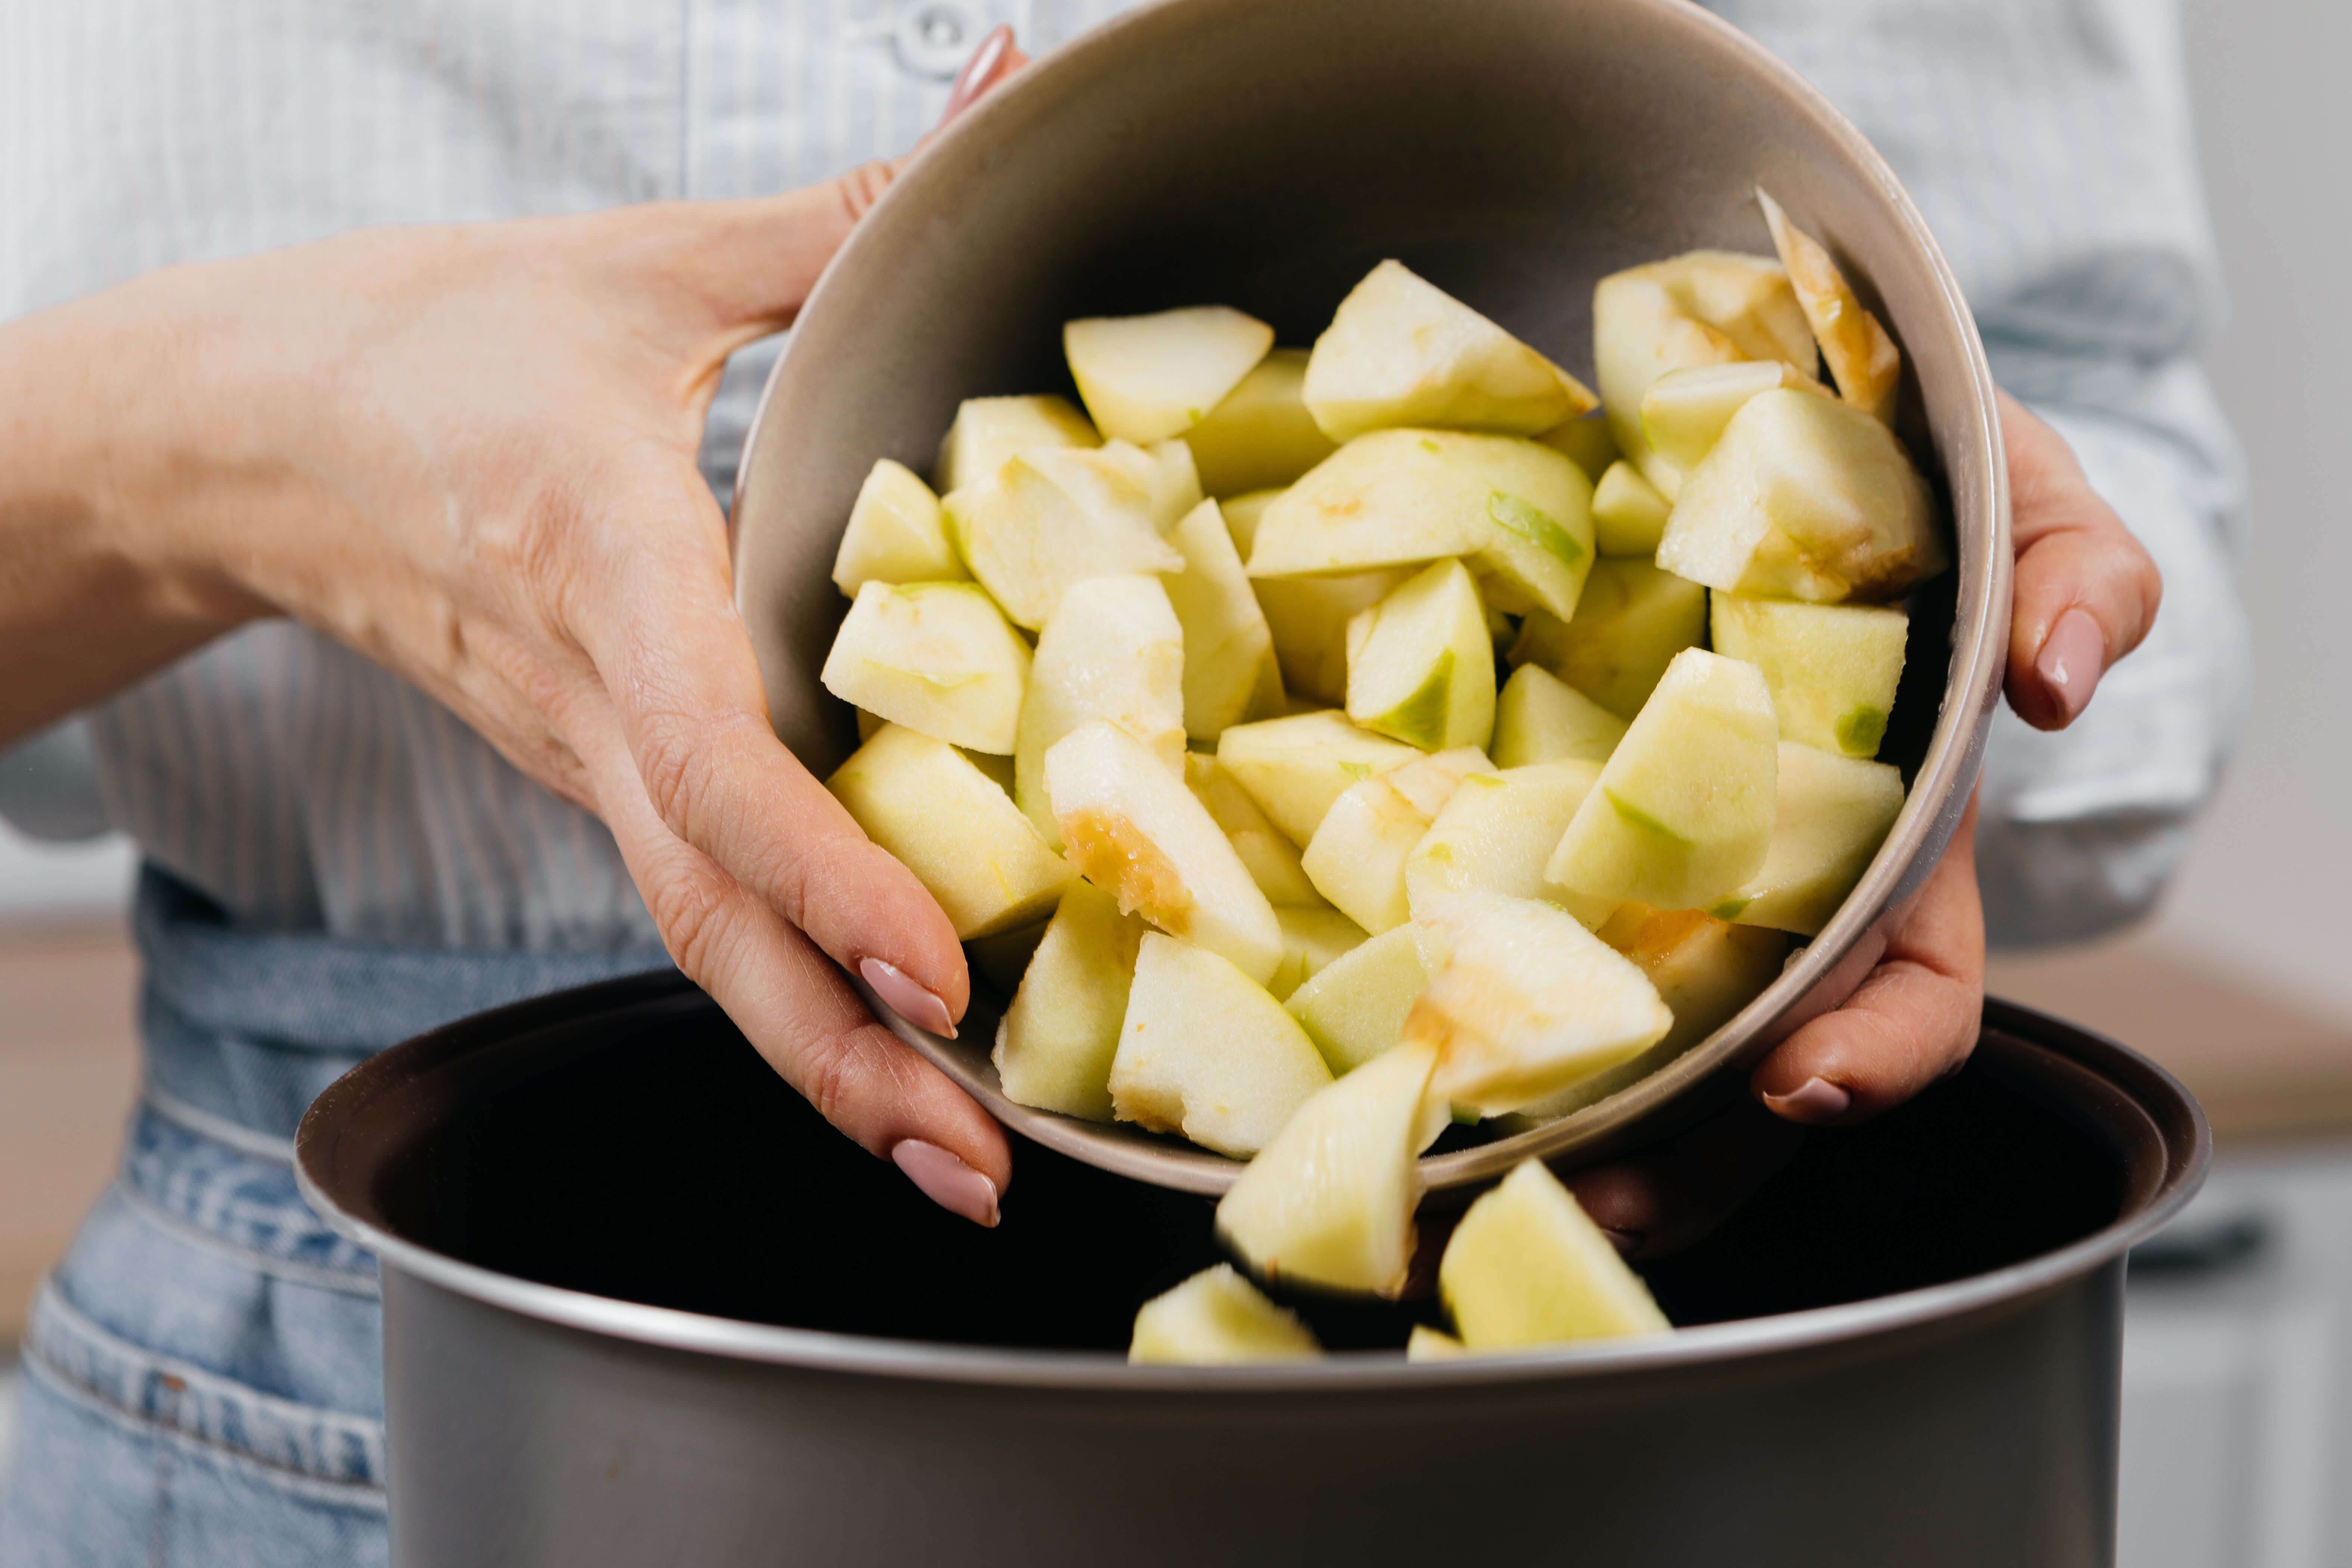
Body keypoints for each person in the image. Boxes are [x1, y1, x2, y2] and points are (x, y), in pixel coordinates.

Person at [0, 0, 2239, 1560]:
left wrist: (1892, 718)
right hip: (368, 1394)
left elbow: (2092, 442)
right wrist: (230, 458)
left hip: (1613, 1381)